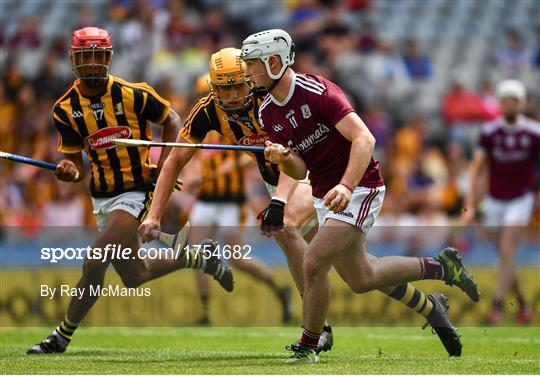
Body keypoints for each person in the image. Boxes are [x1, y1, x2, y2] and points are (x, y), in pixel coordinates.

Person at [143, 47, 471, 357]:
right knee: (361, 275)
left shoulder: (267, 100)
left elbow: (294, 161)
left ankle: (316, 328)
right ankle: (434, 296)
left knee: (286, 226)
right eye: (222, 90)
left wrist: (279, 201)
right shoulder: (208, 112)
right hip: (282, 183)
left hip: (306, 176)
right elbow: (174, 161)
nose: (231, 97)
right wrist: (155, 215)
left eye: (237, 87)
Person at [241, 29, 480, 364]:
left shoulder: (318, 90)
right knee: (362, 278)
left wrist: (347, 186)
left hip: (360, 186)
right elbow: (299, 169)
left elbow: (364, 139)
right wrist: (284, 158)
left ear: (275, 61)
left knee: (312, 263)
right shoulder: (268, 112)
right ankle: (442, 268)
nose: (247, 71)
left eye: (252, 64)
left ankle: (309, 344)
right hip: (327, 193)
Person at [27, 27, 233, 354]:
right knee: (135, 275)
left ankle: (60, 336)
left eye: (98, 56)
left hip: (137, 191)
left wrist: (165, 167)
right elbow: (74, 167)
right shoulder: (64, 108)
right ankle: (194, 258)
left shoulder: (133, 94)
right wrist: (68, 171)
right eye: (86, 57)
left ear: (108, 58)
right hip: (102, 196)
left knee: (95, 260)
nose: (93, 64)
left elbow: (172, 119)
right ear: (74, 59)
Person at [186, 76, 293, 324]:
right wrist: (193, 177)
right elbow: (193, 160)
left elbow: (246, 159)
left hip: (231, 202)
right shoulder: (203, 125)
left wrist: (212, 174)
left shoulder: (235, 125)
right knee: (195, 254)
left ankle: (278, 289)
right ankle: (205, 313)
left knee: (237, 258)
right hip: (205, 201)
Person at [463, 79, 539, 325]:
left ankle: (496, 309)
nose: (509, 104)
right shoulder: (489, 132)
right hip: (495, 200)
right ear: (499, 102)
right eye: (505, 100)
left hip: (521, 198)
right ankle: (525, 306)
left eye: (514, 100)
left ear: (522, 102)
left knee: (507, 248)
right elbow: (477, 168)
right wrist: (471, 204)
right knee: (506, 256)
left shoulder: (533, 133)